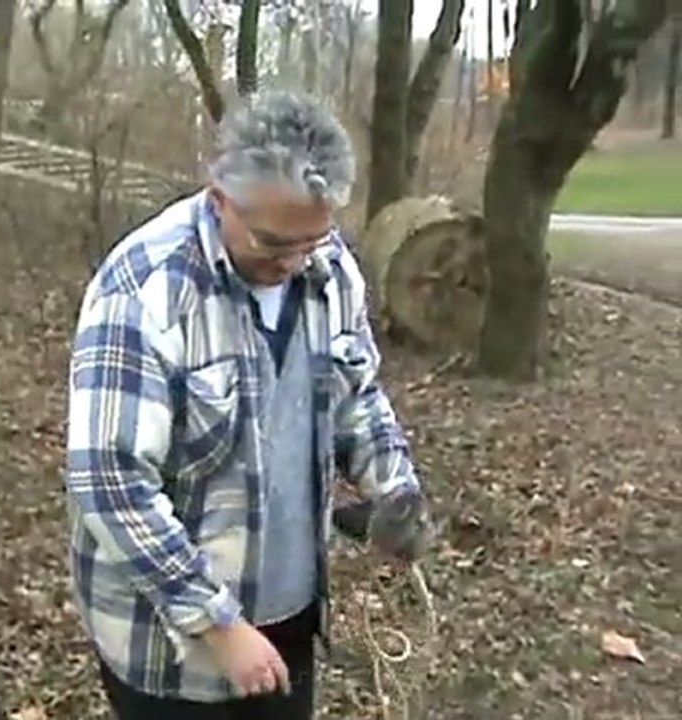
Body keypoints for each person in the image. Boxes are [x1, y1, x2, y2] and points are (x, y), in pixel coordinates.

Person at [63, 90, 433, 720]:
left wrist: (395, 487)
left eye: (310, 242)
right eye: (272, 242)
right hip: (170, 649)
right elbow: (109, 481)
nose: (293, 262)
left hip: (290, 613)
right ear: (219, 198)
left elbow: (357, 395)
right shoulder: (145, 289)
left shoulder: (329, 266)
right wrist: (219, 627)